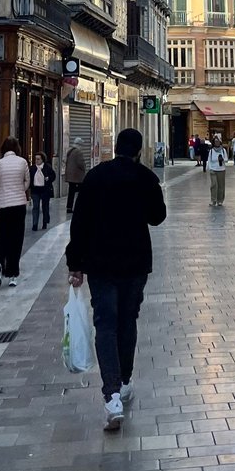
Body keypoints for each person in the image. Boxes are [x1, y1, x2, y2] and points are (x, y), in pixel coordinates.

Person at [66, 128, 167, 432]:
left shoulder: (96, 177)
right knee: (127, 321)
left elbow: (79, 222)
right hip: (135, 263)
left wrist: (75, 263)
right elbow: (157, 217)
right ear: (138, 151)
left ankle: (111, 396)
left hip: (100, 263)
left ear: (116, 149)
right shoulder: (146, 178)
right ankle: (123, 381)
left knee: (106, 324)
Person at [0, 138, 30, 287]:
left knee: (0, 237)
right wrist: (20, 190)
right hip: (19, 204)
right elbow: (27, 182)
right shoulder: (22, 162)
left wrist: (1, 194)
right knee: (16, 238)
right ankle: (13, 272)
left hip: (2, 205)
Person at [31, 151, 56, 229]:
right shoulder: (32, 168)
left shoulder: (47, 167)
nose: (37, 161)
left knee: (45, 206)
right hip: (35, 190)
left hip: (45, 190)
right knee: (35, 207)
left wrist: (48, 178)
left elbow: (53, 176)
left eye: (38, 159)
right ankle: (35, 224)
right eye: (36, 159)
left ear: (42, 160)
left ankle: (44, 222)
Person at [64, 141, 87, 213]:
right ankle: (80, 206)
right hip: (76, 176)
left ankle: (69, 207)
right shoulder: (78, 152)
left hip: (70, 175)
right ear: (79, 144)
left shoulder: (70, 151)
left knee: (71, 192)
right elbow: (81, 163)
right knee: (81, 191)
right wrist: (84, 168)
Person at [206, 135, 228, 206]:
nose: (217, 143)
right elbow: (209, 160)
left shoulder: (223, 150)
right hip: (213, 169)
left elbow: (226, 160)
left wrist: (222, 159)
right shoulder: (211, 151)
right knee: (214, 185)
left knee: (221, 185)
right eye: (215, 141)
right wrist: (209, 168)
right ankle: (213, 200)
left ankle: (220, 200)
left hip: (221, 170)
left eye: (218, 141)